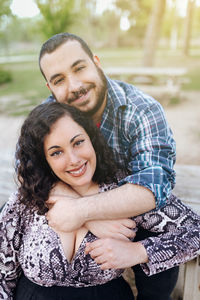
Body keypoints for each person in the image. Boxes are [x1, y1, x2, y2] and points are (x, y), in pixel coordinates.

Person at [1, 102, 200, 300]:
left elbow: (196, 232)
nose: (74, 159)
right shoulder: (27, 200)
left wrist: (138, 251)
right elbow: (3, 277)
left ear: (92, 139)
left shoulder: (124, 192)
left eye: (78, 142)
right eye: (56, 152)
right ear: (44, 159)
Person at [39, 32, 178, 299]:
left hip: (133, 209)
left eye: (79, 68)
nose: (75, 85)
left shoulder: (142, 110)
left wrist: (81, 212)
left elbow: (152, 188)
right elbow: (26, 168)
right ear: (50, 88)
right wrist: (90, 218)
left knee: (160, 243)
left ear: (97, 62)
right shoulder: (50, 114)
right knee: (14, 214)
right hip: (81, 196)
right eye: (59, 80)